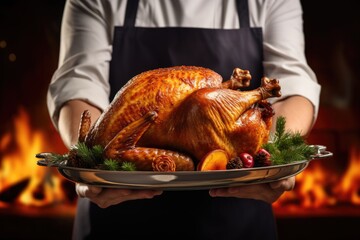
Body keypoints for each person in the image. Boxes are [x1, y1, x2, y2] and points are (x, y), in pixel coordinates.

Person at [47, 0, 321, 239]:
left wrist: (271, 157)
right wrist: (94, 165)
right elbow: (78, 84)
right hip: (115, 215)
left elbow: (293, 87)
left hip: (238, 220)